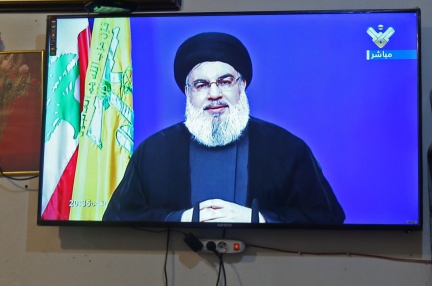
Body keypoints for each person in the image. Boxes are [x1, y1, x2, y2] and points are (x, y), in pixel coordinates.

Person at [103, 31, 345, 224]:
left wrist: (258, 219)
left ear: (243, 84)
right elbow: (116, 218)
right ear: (187, 92)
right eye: (201, 85)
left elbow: (328, 217)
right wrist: (179, 218)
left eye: (225, 81)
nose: (214, 94)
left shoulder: (287, 148)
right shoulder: (154, 151)